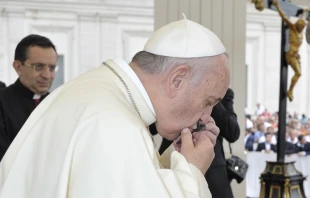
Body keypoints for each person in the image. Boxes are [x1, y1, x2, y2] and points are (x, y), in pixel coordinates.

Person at [0, 18, 230, 197]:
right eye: (208, 101)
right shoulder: (115, 124)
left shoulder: (102, 93)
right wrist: (192, 171)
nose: (206, 117)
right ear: (178, 79)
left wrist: (177, 158)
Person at [152, 88, 240, 198]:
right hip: (172, 156)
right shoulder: (177, 87)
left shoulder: (224, 92)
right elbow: (152, 128)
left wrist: (210, 100)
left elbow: (233, 133)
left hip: (213, 169)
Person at [0, 34, 58, 161]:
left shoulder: (59, 104)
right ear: (18, 67)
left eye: (52, 68)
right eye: (38, 67)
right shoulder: (2, 103)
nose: (47, 75)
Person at [273, 0, 308, 101]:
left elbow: (302, 19)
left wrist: (304, 13)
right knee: (298, 73)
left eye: (302, 27)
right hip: (290, 55)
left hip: (296, 55)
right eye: (301, 27)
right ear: (297, 25)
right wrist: (277, 6)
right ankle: (290, 91)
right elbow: (284, 17)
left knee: (299, 73)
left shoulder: (300, 32)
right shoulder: (293, 28)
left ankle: (290, 90)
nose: (301, 29)